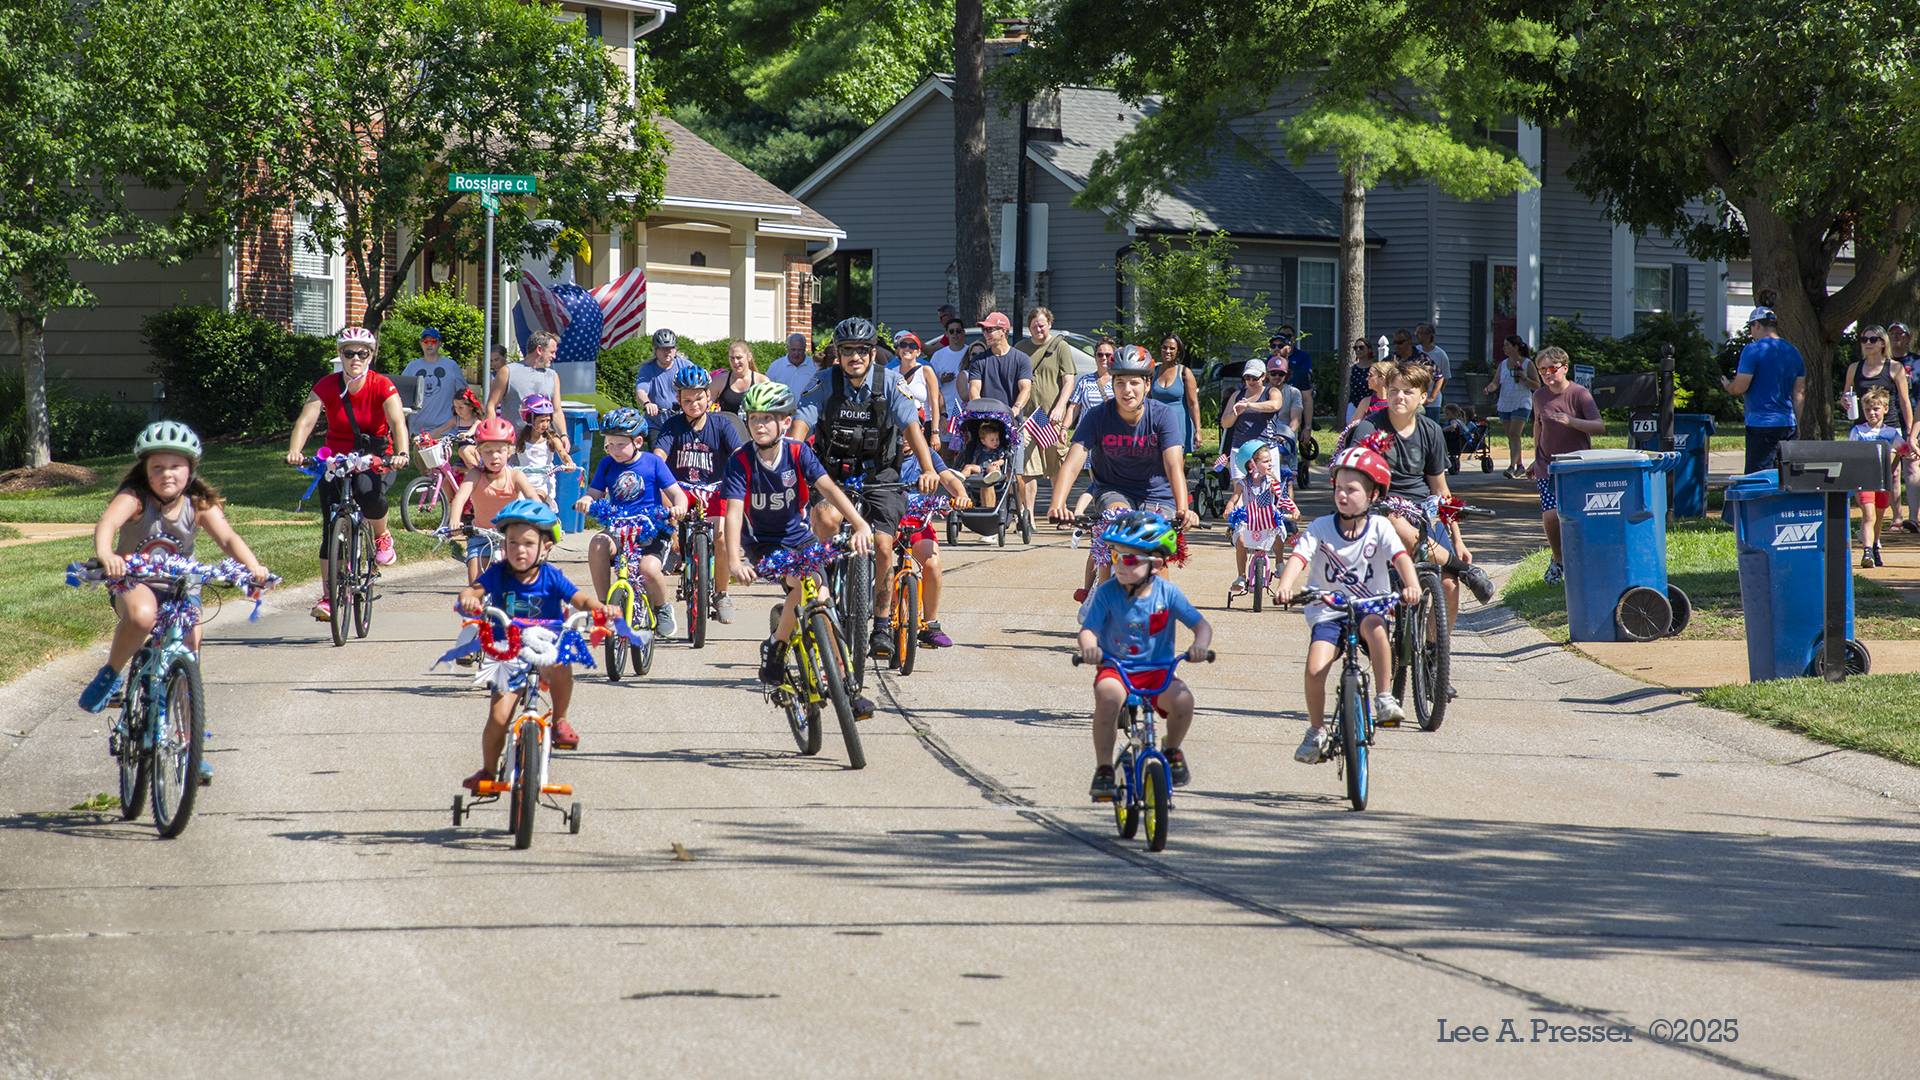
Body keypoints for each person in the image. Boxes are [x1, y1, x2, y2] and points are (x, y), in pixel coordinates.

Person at [794, 317, 970, 662]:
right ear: (839, 354)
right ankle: (825, 587)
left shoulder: (890, 381)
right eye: (847, 351)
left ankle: (880, 625)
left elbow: (911, 426)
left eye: (862, 350)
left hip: (882, 476)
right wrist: (790, 458)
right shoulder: (823, 381)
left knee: (883, 544)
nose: (855, 357)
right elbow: (802, 423)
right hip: (835, 475)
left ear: (872, 353)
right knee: (827, 521)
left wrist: (930, 468)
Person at [78, 423, 271, 735]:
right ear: (145, 470)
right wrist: (106, 555)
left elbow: (228, 539)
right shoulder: (135, 498)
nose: (167, 474)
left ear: (190, 470)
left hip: (181, 586)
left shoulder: (198, 503)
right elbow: (108, 523)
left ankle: (187, 740)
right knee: (142, 617)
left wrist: (253, 566)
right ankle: (111, 674)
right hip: (134, 582)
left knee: (190, 645)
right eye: (158, 467)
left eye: (175, 466)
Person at [723, 382, 874, 703]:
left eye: (767, 418)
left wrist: (859, 523)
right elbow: (734, 513)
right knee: (803, 581)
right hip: (764, 544)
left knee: (821, 598)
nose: (759, 425)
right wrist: (735, 560)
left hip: (801, 539)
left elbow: (830, 489)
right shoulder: (741, 461)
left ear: (785, 422)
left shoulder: (797, 452)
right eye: (753, 419)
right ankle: (777, 646)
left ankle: (848, 685)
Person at [1276, 446, 1423, 762]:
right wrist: (1285, 585)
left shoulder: (1380, 527)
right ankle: (1316, 730)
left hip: (1370, 605)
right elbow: (1299, 557)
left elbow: (1400, 558)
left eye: (1352, 489)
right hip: (1329, 611)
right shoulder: (1320, 527)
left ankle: (1385, 698)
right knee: (1315, 669)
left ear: (1372, 496)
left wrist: (1411, 586)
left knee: (1377, 630)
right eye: (1338, 488)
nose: (1342, 495)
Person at [456, 499, 606, 789]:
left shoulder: (552, 577)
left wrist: (600, 607)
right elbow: (475, 588)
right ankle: (488, 769)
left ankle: (560, 720)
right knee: (499, 718)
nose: (519, 550)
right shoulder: (499, 574)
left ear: (545, 547)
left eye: (527, 543)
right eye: (512, 543)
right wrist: (469, 596)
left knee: (560, 660)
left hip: (544, 650)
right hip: (509, 653)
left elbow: (580, 600)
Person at [1347, 361, 1494, 637]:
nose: (1398, 396)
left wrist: (1458, 538)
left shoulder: (1431, 431)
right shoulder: (1370, 428)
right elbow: (1358, 479)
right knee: (1389, 516)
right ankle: (1466, 569)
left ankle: (1432, 660)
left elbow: (1440, 489)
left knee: (1449, 586)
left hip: (1422, 510)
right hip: (1382, 507)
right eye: (1393, 390)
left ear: (1424, 397)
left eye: (1407, 391)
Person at [1078, 511, 1213, 801]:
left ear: (1157, 563)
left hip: (1159, 671)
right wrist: (1090, 647)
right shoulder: (1106, 592)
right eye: (1115, 557)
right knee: (1107, 699)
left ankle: (1172, 748)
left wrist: (1200, 645)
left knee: (1184, 701)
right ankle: (1103, 768)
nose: (1119, 565)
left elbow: (1200, 624)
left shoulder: (1169, 593)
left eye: (1128, 559)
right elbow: (1088, 629)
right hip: (1117, 667)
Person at [1047, 346, 1197, 597]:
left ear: (1147, 385)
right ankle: (1101, 597)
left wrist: (1183, 508)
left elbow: (1173, 465)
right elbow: (1072, 463)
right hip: (1113, 490)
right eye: (1120, 383)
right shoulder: (1097, 416)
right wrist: (1057, 503)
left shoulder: (1163, 415)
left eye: (1134, 383)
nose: (1127, 390)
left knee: (1154, 541)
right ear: (1111, 385)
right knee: (1116, 522)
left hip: (1157, 494)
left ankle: (1161, 605)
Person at [286, 327, 410, 622]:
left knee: (369, 496)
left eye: (362, 352)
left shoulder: (382, 385)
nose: (355, 358)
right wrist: (295, 450)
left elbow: (397, 421)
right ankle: (329, 598)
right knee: (331, 527)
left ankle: (381, 535)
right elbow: (306, 420)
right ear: (340, 355)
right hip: (337, 458)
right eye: (348, 352)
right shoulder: (327, 385)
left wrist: (401, 454)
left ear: (371, 354)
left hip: (375, 454)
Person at [573, 407, 689, 641]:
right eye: (610, 445)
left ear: (637, 441)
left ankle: (662, 607)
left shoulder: (653, 462)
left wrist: (679, 506)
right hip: (619, 528)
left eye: (620, 445)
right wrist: (586, 500)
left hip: (651, 531)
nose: (614, 450)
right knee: (597, 543)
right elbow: (594, 493)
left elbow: (677, 494)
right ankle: (606, 608)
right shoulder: (607, 464)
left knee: (648, 569)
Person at [653, 362, 746, 623]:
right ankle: (674, 543)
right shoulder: (672, 426)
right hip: (681, 489)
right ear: (679, 400)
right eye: (687, 399)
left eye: (699, 397)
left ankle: (721, 593)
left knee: (722, 537)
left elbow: (738, 455)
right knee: (661, 485)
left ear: (709, 396)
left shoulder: (722, 424)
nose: (694, 404)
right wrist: (652, 464)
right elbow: (659, 457)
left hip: (715, 489)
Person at [1528, 346, 1604, 586]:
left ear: (1564, 368)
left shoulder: (1580, 394)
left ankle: (1583, 560)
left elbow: (1599, 426)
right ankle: (1558, 559)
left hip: (1577, 466)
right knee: (1551, 516)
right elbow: (1538, 426)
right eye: (1542, 371)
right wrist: (1535, 457)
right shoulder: (1539, 396)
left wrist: (1572, 422)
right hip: (1547, 465)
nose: (1547, 374)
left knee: (1578, 516)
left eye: (1552, 368)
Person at [448, 417, 543, 585]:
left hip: (509, 537)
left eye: (500, 450)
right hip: (480, 535)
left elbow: (533, 498)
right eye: (488, 451)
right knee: (476, 586)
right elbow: (460, 498)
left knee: (514, 579)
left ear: (510, 451)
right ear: (479, 452)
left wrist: (542, 517)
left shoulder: (515, 476)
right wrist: (455, 521)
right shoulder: (475, 475)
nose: (494, 456)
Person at [1720, 296, 1806, 473]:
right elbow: (1799, 393)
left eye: (1751, 328)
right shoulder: (1793, 352)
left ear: (1756, 325)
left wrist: (1728, 385)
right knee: (1785, 476)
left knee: (1759, 477)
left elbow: (1740, 387)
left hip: (1762, 425)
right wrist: (1797, 424)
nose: (1751, 332)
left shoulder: (1753, 350)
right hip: (1787, 424)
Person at [1844, 325, 1917, 530]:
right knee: (1866, 474)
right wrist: (1844, 401)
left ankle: (1896, 517)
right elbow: (1846, 395)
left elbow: (1904, 402)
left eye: (1873, 339)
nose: (1868, 343)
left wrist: (1910, 432)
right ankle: (1871, 521)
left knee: (1890, 474)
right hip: (1862, 429)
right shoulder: (1854, 368)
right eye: (1864, 339)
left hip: (1890, 427)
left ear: (1883, 343)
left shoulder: (1894, 367)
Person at [895, 434, 962, 648]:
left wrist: (961, 493)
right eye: (899, 432)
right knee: (883, 561)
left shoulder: (926, 454)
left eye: (909, 433)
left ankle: (930, 624)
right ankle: (885, 622)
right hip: (889, 518)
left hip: (917, 521)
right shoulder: (883, 452)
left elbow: (948, 478)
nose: (904, 438)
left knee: (932, 565)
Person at [1017, 307, 1077, 522]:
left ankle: (1058, 510)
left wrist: (1060, 407)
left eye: (1042, 325)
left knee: (1056, 466)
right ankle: (1028, 516)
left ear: (1049, 324)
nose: (1038, 329)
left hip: (1051, 417)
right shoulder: (1020, 348)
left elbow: (1068, 382)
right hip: (1027, 418)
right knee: (1027, 469)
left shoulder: (1061, 347)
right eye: (1034, 326)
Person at [1224, 439, 1297, 595]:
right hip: (1249, 521)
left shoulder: (1271, 482)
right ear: (1252, 465)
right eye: (1265, 461)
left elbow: (1283, 498)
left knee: (1277, 537)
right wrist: (1229, 509)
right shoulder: (1242, 483)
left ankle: (1279, 564)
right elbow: (1234, 499)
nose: (1270, 464)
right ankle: (1241, 576)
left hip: (1267, 520)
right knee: (1242, 541)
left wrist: (1295, 510)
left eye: (1270, 460)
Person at [1849, 388, 1907, 567]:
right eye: (1867, 410)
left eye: (1876, 409)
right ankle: (1866, 551)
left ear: (1885, 409)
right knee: (1869, 515)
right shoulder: (1858, 431)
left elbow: (1904, 449)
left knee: (1879, 517)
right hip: (1864, 480)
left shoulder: (1891, 433)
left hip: (1883, 481)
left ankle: (1875, 546)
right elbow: (1850, 453)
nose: (1872, 413)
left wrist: (1912, 451)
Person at [1485, 334, 1538, 477]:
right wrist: (1490, 388)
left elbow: (1537, 385)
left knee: (1515, 433)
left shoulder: (1527, 364)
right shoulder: (1503, 364)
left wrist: (1525, 378)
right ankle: (1520, 465)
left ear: (1515, 347)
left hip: (1521, 402)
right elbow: (1496, 382)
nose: (1504, 348)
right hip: (1505, 403)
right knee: (1511, 436)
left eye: (1507, 345)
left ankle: (1511, 466)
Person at [486, 331, 561, 430]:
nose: (554, 356)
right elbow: (491, 405)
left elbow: (557, 411)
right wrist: (491, 435)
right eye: (552, 352)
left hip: (541, 442)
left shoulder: (552, 376)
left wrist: (564, 435)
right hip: (513, 442)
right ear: (539, 350)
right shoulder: (507, 372)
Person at [403, 328, 469, 438]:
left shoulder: (451, 366)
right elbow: (402, 394)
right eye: (425, 341)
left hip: (444, 430)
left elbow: (464, 394)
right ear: (421, 344)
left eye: (433, 341)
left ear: (439, 344)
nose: (429, 345)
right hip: (419, 431)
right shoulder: (412, 367)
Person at [514, 394, 574, 508]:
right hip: (524, 480)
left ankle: (551, 522)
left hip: (544, 480)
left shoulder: (551, 438)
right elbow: (506, 451)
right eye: (542, 420)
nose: (545, 424)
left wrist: (568, 462)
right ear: (529, 418)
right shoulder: (519, 438)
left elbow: (563, 454)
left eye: (548, 420)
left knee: (538, 503)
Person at [967, 312, 1033, 414]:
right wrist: (980, 411)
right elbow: (974, 390)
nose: (985, 334)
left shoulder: (1022, 359)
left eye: (989, 330)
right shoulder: (978, 360)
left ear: (1003, 331)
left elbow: (1025, 389)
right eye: (983, 330)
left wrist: (1015, 408)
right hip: (985, 421)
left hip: (1012, 420)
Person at [1888, 321, 1920, 532]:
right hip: (1891, 422)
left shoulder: (1917, 363)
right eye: (1892, 333)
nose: (1896, 336)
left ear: (1909, 338)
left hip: (1915, 421)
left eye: (1901, 333)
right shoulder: (1885, 363)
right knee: (1892, 470)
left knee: (1912, 465)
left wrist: (1914, 430)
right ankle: (1897, 517)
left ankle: (1913, 517)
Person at [1150, 334, 1202, 459]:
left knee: (1176, 466)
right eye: (1164, 347)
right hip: (1156, 424)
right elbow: (1146, 400)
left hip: (1178, 423)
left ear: (1178, 351)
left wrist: (1198, 430)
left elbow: (1193, 404)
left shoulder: (1185, 373)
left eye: (1172, 348)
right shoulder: (1153, 372)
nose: (1167, 351)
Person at [890, 330, 943, 441]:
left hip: (924, 425)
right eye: (903, 345)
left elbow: (934, 403)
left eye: (912, 346)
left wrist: (935, 433)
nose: (907, 348)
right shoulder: (892, 373)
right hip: (899, 426)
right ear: (898, 350)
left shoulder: (926, 371)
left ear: (918, 352)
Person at [633, 327, 685, 435]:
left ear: (675, 349)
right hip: (656, 424)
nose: (667, 352)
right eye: (662, 348)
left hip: (682, 420)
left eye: (670, 348)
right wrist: (647, 403)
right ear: (656, 350)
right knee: (657, 451)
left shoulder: (685, 366)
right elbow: (641, 391)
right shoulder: (647, 370)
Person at [956, 413, 1012, 507]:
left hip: (993, 467)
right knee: (968, 467)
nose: (995, 442)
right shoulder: (979, 449)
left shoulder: (998, 449)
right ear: (983, 441)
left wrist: (997, 463)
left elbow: (1002, 459)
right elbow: (974, 460)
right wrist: (972, 467)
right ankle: (961, 477)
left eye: (997, 439)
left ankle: (990, 477)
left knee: (992, 469)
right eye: (992, 440)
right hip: (981, 467)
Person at [927, 313, 970, 434]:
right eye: (951, 331)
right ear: (946, 334)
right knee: (947, 450)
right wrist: (942, 380)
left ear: (963, 332)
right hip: (946, 411)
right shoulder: (938, 355)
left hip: (967, 410)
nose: (955, 334)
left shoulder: (970, 352)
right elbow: (930, 384)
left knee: (966, 448)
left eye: (958, 331)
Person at [710, 339, 768, 414]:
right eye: (732, 358)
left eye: (739, 358)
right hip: (727, 425)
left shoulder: (762, 381)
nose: (735, 362)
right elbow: (706, 407)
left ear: (749, 357)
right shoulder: (719, 381)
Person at [1414, 322, 1450, 422]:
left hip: (1432, 403)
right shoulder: (1415, 352)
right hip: (1416, 401)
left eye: (1419, 333)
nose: (1415, 335)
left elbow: (1445, 377)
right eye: (1416, 332)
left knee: (1431, 430)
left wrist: (1434, 396)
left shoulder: (1440, 355)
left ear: (1428, 335)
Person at [766, 333, 818, 401]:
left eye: (799, 350)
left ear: (805, 348)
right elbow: (767, 389)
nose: (796, 353)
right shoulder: (776, 366)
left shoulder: (814, 366)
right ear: (788, 348)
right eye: (793, 350)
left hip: (807, 410)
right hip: (782, 410)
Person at [1344, 337, 1375, 424]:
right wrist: (1345, 408)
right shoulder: (1351, 369)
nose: (1358, 350)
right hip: (1353, 404)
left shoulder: (1374, 368)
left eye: (1361, 347)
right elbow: (1348, 391)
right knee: (1351, 432)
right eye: (1355, 348)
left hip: (1369, 404)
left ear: (1369, 350)